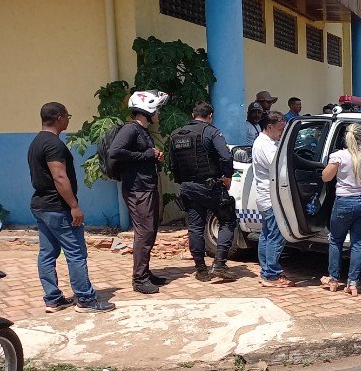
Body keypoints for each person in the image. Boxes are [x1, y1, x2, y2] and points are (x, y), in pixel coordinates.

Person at [27, 103, 115, 313]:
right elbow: (59, 176)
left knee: (47, 253)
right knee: (76, 252)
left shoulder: (36, 142)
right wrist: (74, 206)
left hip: (41, 205)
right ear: (59, 118)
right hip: (58, 208)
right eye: (67, 116)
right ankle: (86, 299)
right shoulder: (54, 145)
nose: (68, 120)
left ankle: (53, 299)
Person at [169, 101, 238, 281]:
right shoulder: (211, 132)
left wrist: (183, 182)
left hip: (188, 188)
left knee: (195, 227)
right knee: (227, 219)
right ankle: (220, 263)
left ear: (193, 115)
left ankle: (201, 269)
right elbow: (226, 156)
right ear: (210, 116)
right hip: (211, 186)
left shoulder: (176, 135)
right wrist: (227, 176)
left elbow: (173, 164)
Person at [109, 91, 168, 294]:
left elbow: (141, 156)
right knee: (144, 232)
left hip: (146, 187)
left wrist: (154, 156)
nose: (158, 114)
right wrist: (145, 155)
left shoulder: (143, 131)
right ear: (148, 110)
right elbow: (115, 151)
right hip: (137, 189)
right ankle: (139, 279)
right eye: (157, 109)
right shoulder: (130, 129)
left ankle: (145, 271)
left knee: (150, 231)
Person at [321, 123, 361, 295]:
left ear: (346, 137)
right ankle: (352, 283)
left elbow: (325, 177)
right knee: (358, 243)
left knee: (336, 240)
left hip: (345, 203)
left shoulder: (339, 156)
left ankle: (333, 279)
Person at [251, 111, 294, 287]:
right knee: (276, 235)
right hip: (270, 198)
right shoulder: (265, 145)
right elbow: (277, 166)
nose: (282, 133)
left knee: (267, 235)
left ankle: (266, 270)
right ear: (269, 127)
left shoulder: (268, 142)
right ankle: (271, 274)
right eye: (280, 129)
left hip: (266, 196)